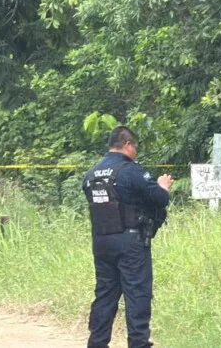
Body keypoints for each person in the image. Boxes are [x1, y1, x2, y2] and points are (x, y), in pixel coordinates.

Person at [82, 126, 173, 348]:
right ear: (128, 144)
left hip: (102, 242)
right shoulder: (130, 170)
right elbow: (159, 199)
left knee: (105, 294)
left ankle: (97, 343)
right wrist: (163, 186)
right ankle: (139, 344)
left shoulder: (91, 173)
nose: (136, 152)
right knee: (137, 293)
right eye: (135, 147)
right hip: (130, 242)